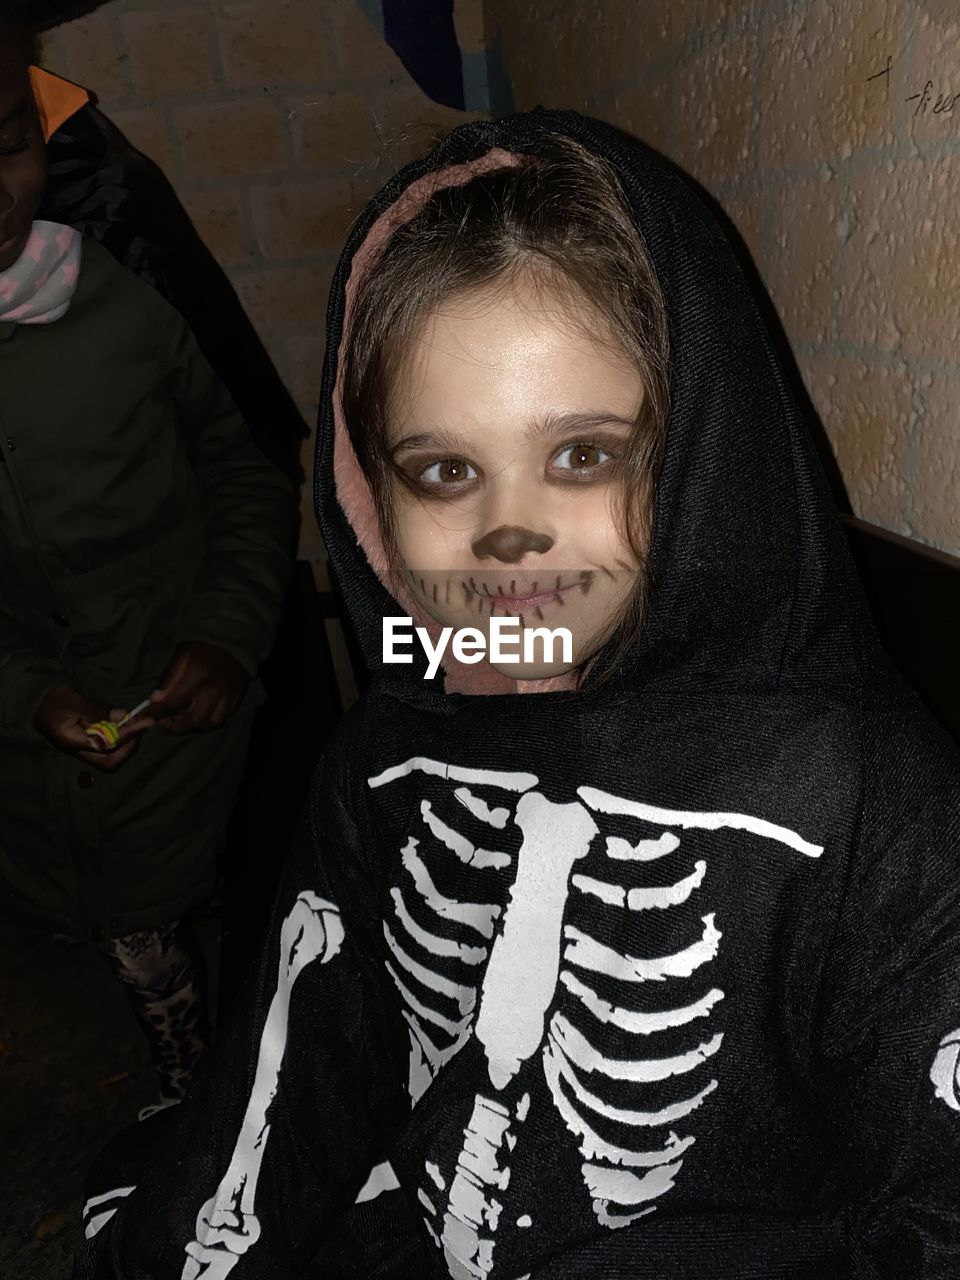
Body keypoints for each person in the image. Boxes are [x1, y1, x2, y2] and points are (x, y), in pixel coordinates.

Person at [73, 110, 960, 1278]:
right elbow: (305, 1074)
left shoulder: (866, 795)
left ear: (707, 450)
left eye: (584, 453)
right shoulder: (382, 754)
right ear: (369, 503)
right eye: (444, 469)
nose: (506, 534)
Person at [0, 19, 298, 1112]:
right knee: (110, 923)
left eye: (5, 143)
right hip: (30, 748)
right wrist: (28, 693)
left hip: (169, 693)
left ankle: (207, 1092)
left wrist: (225, 628)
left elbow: (246, 469)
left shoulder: (122, 295)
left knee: (165, 913)